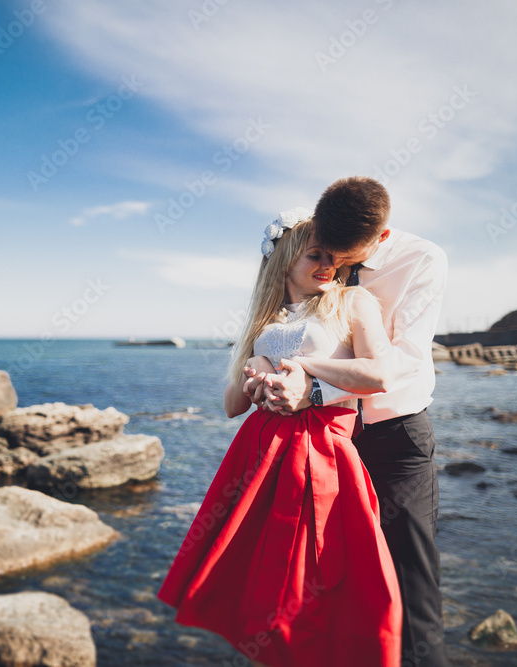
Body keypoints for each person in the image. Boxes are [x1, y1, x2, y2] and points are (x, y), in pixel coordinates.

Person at [157, 210, 402, 666]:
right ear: (285, 261)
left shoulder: (351, 301)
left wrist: (305, 369)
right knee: (261, 577)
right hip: (261, 451)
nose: (329, 265)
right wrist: (252, 378)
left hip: (324, 448)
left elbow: (379, 374)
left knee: (327, 572)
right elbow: (232, 405)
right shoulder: (264, 318)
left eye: (334, 256)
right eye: (316, 255)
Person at [264, 177, 448, 667]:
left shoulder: (423, 260)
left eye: (345, 258)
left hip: (393, 439)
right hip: (323, 442)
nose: (334, 267)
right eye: (328, 254)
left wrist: (314, 390)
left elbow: (405, 361)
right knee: (324, 579)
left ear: (380, 239)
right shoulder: (319, 247)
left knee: (409, 585)